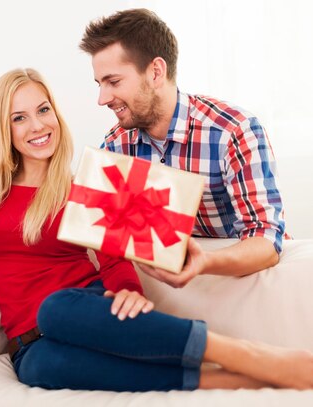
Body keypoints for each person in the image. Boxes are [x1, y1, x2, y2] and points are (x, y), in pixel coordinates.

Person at [0, 68, 313, 392]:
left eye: (43, 110)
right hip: (31, 344)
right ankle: (235, 382)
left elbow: (115, 257)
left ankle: (248, 355)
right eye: (19, 118)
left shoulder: (82, 188)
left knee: (54, 309)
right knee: (38, 370)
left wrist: (129, 290)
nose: (37, 126)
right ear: (5, 130)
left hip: (81, 309)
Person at [79, 9, 287, 288]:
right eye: (99, 83)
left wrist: (204, 262)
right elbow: (112, 238)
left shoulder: (233, 131)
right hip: (175, 291)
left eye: (113, 82)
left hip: (247, 282)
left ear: (155, 72)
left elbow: (266, 239)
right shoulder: (116, 145)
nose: (102, 99)